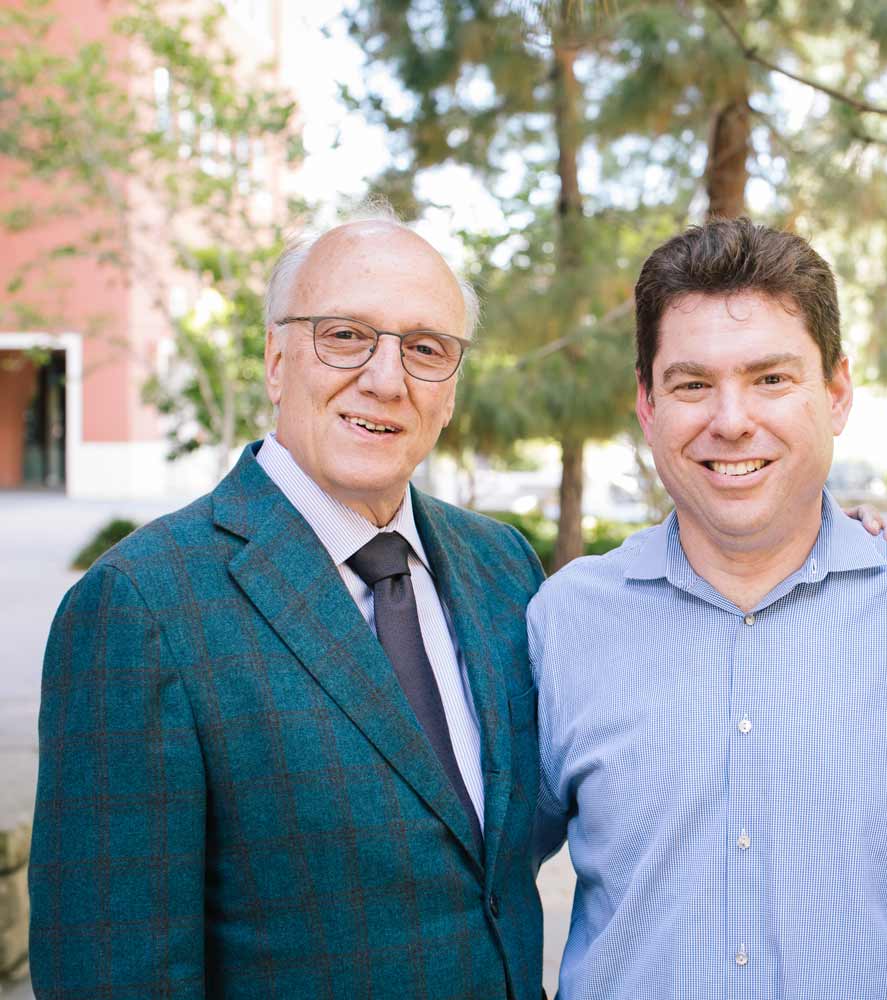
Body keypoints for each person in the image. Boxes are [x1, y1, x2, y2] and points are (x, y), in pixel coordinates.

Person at [30, 210, 545, 998]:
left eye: (426, 349)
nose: (385, 377)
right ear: (276, 360)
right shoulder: (139, 609)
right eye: (345, 336)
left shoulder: (501, 566)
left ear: (450, 391)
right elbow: (112, 972)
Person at [528, 218, 887, 999]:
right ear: (646, 403)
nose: (732, 419)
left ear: (836, 393)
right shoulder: (566, 620)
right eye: (691, 384)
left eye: (771, 378)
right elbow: (478, 890)